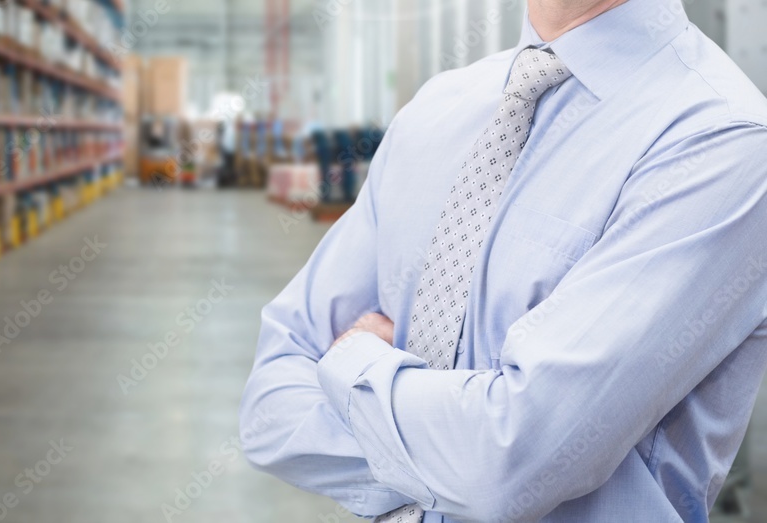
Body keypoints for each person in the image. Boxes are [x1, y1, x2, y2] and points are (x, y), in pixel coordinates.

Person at [239, 0, 767, 521]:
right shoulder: (434, 112)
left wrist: (352, 363)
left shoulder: (721, 140)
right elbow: (269, 407)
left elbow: (509, 464)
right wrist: (446, 460)